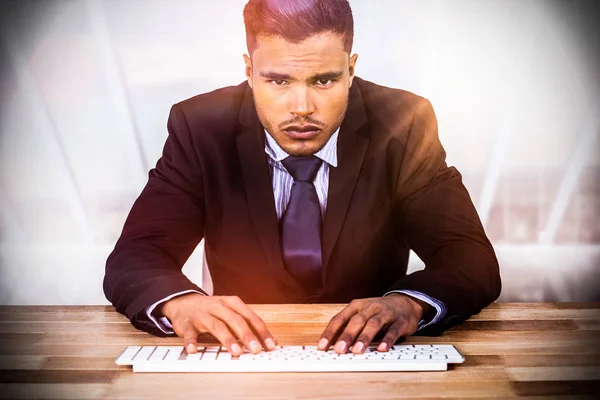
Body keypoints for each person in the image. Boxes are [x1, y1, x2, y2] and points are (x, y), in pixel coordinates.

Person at [104, 0, 501, 357]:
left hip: (371, 357)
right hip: (241, 360)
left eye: (323, 80)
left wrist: (407, 304)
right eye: (278, 80)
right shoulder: (201, 127)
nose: (301, 108)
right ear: (249, 71)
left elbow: (469, 258)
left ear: (351, 69)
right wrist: (181, 303)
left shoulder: (403, 123)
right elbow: (137, 256)